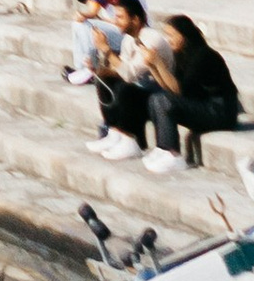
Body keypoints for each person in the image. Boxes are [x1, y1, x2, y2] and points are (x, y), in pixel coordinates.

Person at [94, 9, 241, 164]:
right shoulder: (180, 54)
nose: (168, 39)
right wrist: (152, 65)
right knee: (150, 97)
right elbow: (167, 86)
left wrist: (158, 63)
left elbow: (179, 90)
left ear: (183, 36)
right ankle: (150, 146)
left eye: (171, 35)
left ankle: (171, 153)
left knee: (163, 101)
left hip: (220, 111)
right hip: (202, 104)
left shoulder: (202, 55)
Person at [65, 0, 147, 86]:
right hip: (120, 29)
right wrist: (83, 15)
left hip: (135, 34)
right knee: (79, 23)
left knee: (86, 28)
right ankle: (82, 68)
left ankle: (90, 69)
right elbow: (92, 11)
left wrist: (105, 20)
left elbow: (128, 21)